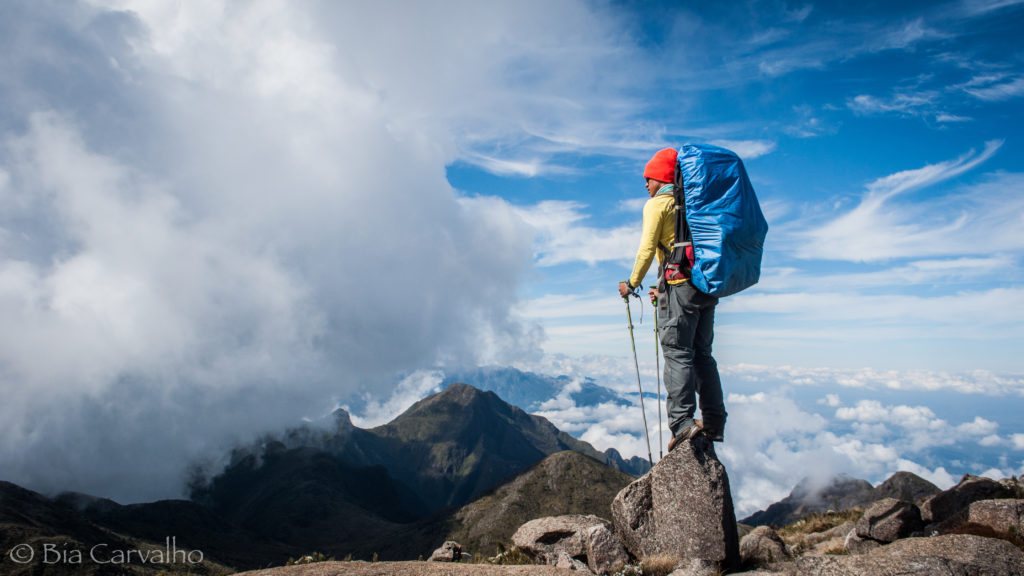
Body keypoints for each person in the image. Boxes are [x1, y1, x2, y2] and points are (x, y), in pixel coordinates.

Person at [617, 147, 726, 452]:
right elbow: (678, 249)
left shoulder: (658, 204)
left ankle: (682, 424)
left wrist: (631, 283)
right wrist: (660, 288)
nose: (645, 185)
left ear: (661, 177)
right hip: (705, 288)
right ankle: (714, 422)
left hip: (679, 287)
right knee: (703, 354)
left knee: (677, 353)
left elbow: (648, 248)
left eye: (648, 178)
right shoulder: (692, 204)